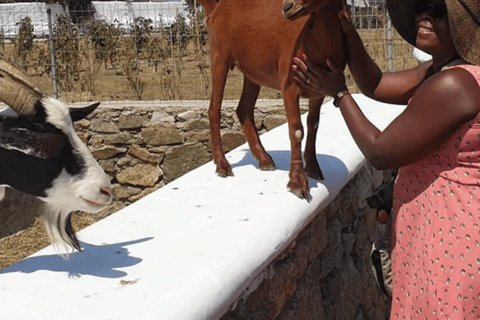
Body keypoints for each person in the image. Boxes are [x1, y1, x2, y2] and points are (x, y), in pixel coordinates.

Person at [292, 0, 480, 318]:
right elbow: (376, 84)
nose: (424, 15)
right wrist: (348, 33)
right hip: (437, 234)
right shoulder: (442, 71)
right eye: (421, 5)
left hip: (452, 241)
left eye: (438, 10)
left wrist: (338, 94)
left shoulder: (454, 85)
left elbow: (380, 151)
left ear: (464, 27)